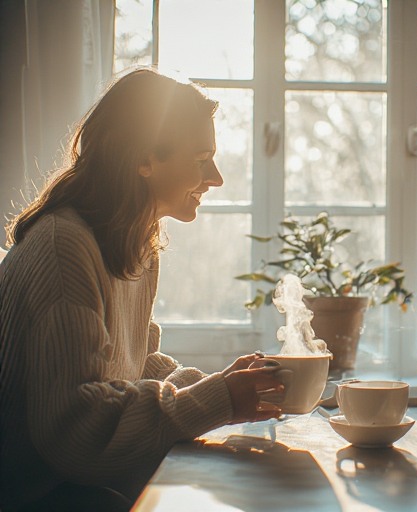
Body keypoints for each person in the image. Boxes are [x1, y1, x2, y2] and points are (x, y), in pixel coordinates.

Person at [0, 68, 285, 511]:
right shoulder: (64, 247)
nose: (216, 178)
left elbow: (128, 367)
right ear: (145, 159)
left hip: (76, 485)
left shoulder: (137, 242)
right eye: (201, 157)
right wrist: (216, 398)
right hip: (36, 496)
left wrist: (218, 385)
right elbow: (75, 429)